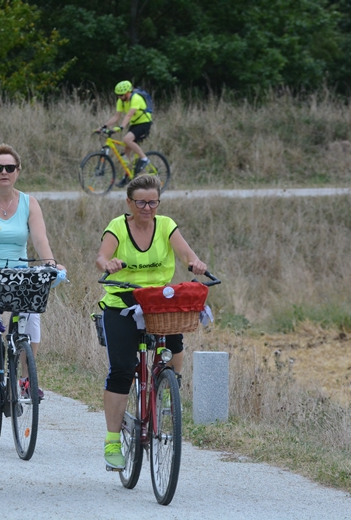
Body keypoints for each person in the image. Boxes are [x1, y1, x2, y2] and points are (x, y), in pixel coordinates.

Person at [94, 174, 206, 470]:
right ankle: (112, 440)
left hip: (157, 303)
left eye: (153, 202)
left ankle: (167, 392)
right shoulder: (118, 226)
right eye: (141, 202)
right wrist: (109, 264)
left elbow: (185, 253)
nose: (147, 208)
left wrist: (195, 263)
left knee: (174, 347)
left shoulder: (166, 225)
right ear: (129, 202)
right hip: (123, 302)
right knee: (121, 370)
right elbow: (102, 256)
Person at [0, 144, 65, 428]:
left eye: (10, 168)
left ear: (18, 171)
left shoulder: (29, 202)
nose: (5, 172)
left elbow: (40, 239)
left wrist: (51, 263)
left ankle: (25, 380)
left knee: (32, 323)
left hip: (20, 277)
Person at [96, 80, 153, 188]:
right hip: (134, 125)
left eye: (121, 95)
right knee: (125, 154)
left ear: (128, 92)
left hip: (144, 123)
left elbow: (129, 115)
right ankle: (127, 176)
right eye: (118, 95)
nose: (119, 97)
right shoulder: (120, 101)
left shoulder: (136, 98)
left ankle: (144, 159)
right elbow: (116, 117)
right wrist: (103, 126)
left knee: (126, 139)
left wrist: (121, 127)